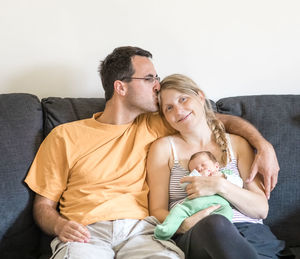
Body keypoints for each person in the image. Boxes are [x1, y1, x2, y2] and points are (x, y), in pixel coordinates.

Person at [24, 46, 279, 258]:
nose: (158, 86)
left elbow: (216, 120)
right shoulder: (65, 136)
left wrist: (263, 145)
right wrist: (59, 225)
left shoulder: (159, 121)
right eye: (150, 79)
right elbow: (43, 205)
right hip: (87, 233)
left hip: (143, 233)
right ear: (120, 88)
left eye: (157, 78)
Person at [147, 74, 286, 258]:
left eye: (183, 99)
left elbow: (261, 209)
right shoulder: (163, 148)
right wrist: (183, 224)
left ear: (200, 96)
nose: (178, 111)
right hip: (198, 234)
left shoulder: (237, 144)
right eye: (169, 108)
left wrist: (219, 185)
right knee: (216, 223)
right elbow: (156, 210)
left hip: (250, 234)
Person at [154, 151, 243, 240]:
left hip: (219, 205)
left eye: (203, 165)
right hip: (194, 205)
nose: (200, 169)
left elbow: (239, 184)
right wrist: (199, 176)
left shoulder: (226, 174)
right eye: (195, 169)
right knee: (178, 210)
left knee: (227, 213)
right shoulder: (194, 177)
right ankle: (166, 230)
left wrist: (223, 177)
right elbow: (184, 185)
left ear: (216, 166)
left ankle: (223, 232)